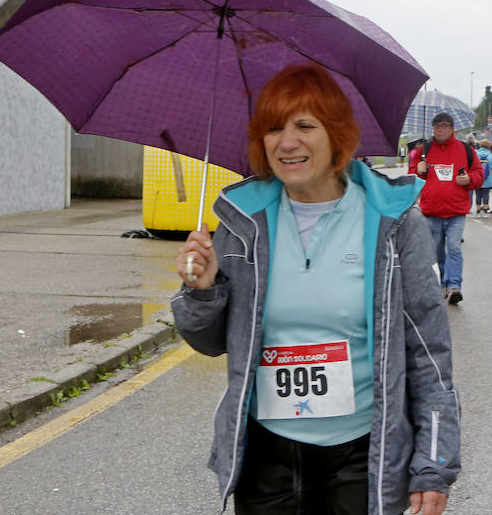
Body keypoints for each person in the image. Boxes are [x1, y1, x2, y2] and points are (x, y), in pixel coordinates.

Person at [172, 65, 460, 515]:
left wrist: (435, 462)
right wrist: (201, 291)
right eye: (273, 129)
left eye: (305, 126)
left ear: (337, 135)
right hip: (267, 458)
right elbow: (208, 344)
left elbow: (428, 353)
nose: (286, 143)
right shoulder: (240, 224)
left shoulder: (393, 223)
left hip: (362, 456)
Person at [410, 112, 484, 304]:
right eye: (436, 126)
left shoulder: (465, 150)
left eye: (443, 125)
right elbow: (411, 177)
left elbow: (478, 174)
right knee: (435, 251)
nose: (439, 129)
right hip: (431, 211)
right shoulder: (423, 151)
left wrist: (469, 179)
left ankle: (454, 286)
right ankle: (441, 283)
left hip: (456, 212)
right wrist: (417, 171)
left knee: (454, 248)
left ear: (452, 129)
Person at [475, 139, 492, 217]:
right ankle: (485, 212)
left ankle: (478, 211)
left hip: (478, 178)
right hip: (488, 179)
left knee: (478, 194)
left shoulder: (475, 155)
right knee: (486, 194)